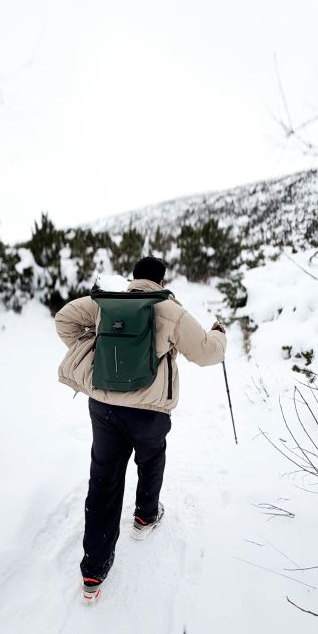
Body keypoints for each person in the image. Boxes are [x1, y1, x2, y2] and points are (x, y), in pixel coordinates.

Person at [55, 255, 227, 603]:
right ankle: (145, 517)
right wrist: (220, 335)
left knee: (103, 479)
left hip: (103, 406)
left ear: (133, 278)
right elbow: (207, 353)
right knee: (151, 460)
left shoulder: (104, 303)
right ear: (162, 280)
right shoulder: (169, 309)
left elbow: (64, 319)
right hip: (148, 413)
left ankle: (92, 573)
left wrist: (90, 348)